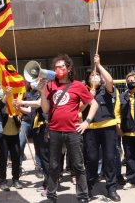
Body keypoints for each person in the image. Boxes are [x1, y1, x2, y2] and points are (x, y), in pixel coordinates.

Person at [39, 53, 98, 203]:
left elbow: (94, 104)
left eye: (61, 66)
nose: (58, 69)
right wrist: (41, 91)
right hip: (55, 131)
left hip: (73, 131)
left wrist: (87, 122)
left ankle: (83, 197)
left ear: (69, 68)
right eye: (56, 67)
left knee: (78, 165)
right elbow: (45, 109)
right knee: (53, 166)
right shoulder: (50, 86)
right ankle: (51, 196)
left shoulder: (78, 85)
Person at [82, 55, 121, 202]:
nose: (95, 77)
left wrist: (98, 66)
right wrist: (87, 98)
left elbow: (110, 80)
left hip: (108, 128)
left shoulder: (107, 90)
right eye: (92, 76)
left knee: (110, 158)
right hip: (90, 129)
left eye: (97, 75)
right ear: (87, 79)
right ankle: (89, 187)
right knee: (91, 159)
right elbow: (79, 109)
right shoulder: (83, 91)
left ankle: (111, 188)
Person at [0, 86, 23, 191]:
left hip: (15, 134)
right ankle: (2, 181)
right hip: (3, 135)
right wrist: (6, 96)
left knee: (16, 157)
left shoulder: (14, 101)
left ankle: (16, 179)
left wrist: (19, 113)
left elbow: (21, 114)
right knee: (3, 158)